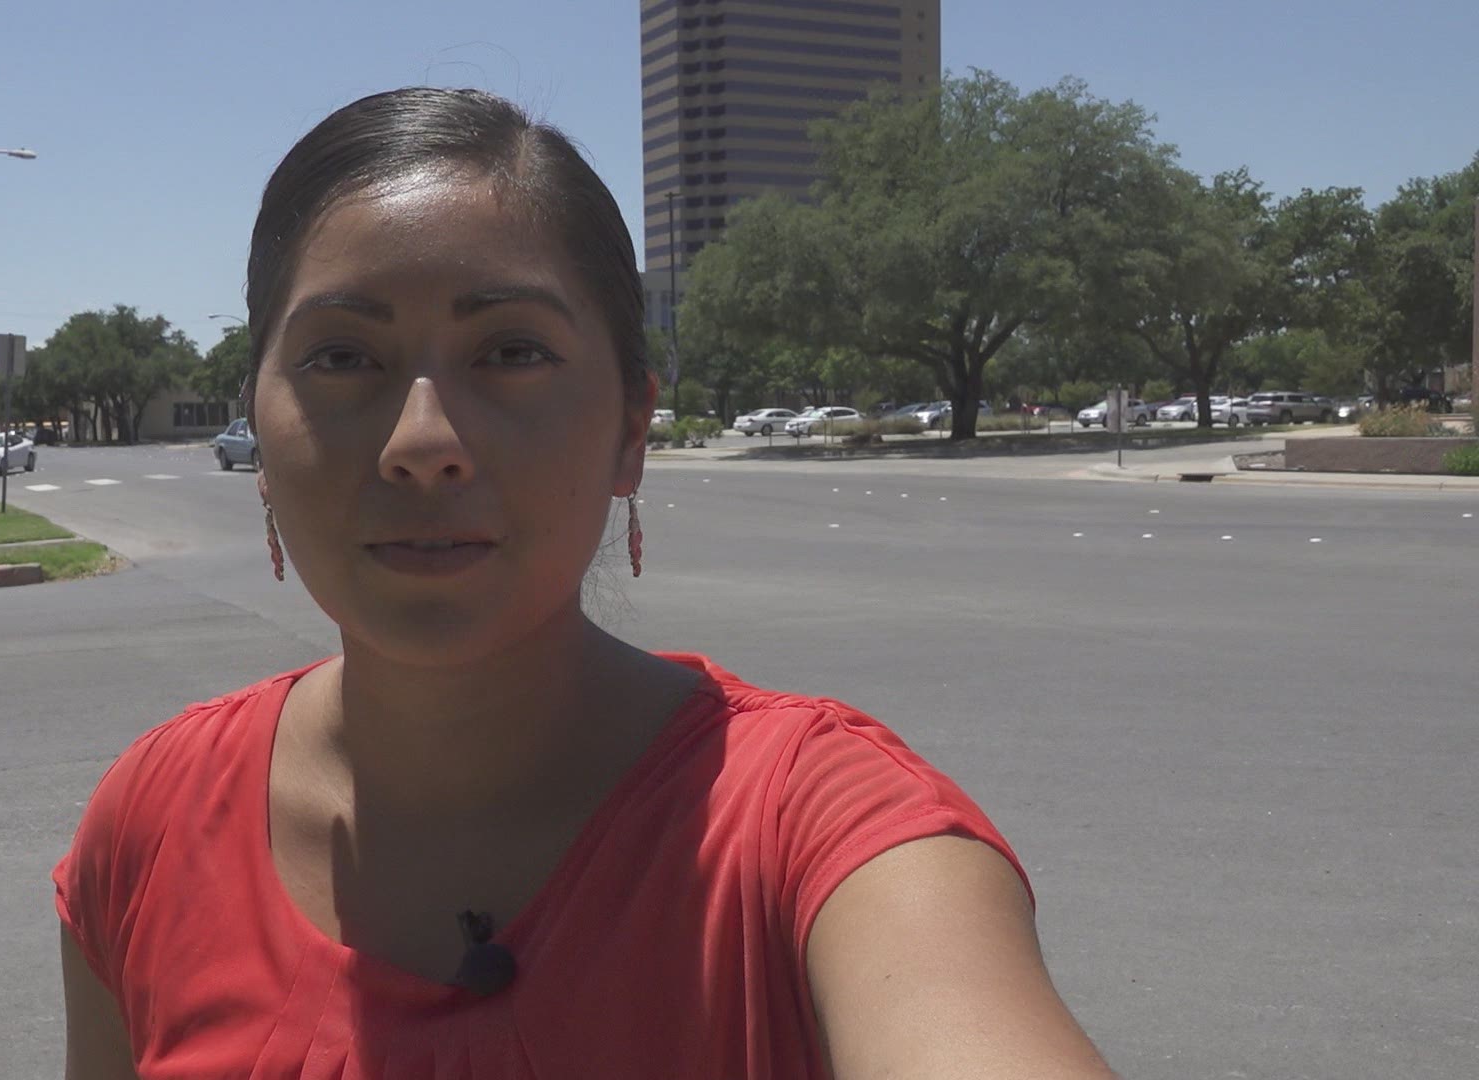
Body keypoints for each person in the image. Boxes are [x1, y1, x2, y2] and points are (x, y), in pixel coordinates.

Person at [55, 87, 1115, 1079]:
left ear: (632, 432)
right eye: (342, 359)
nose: (423, 445)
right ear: (259, 422)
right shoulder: (147, 824)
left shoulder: (816, 828)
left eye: (512, 351)